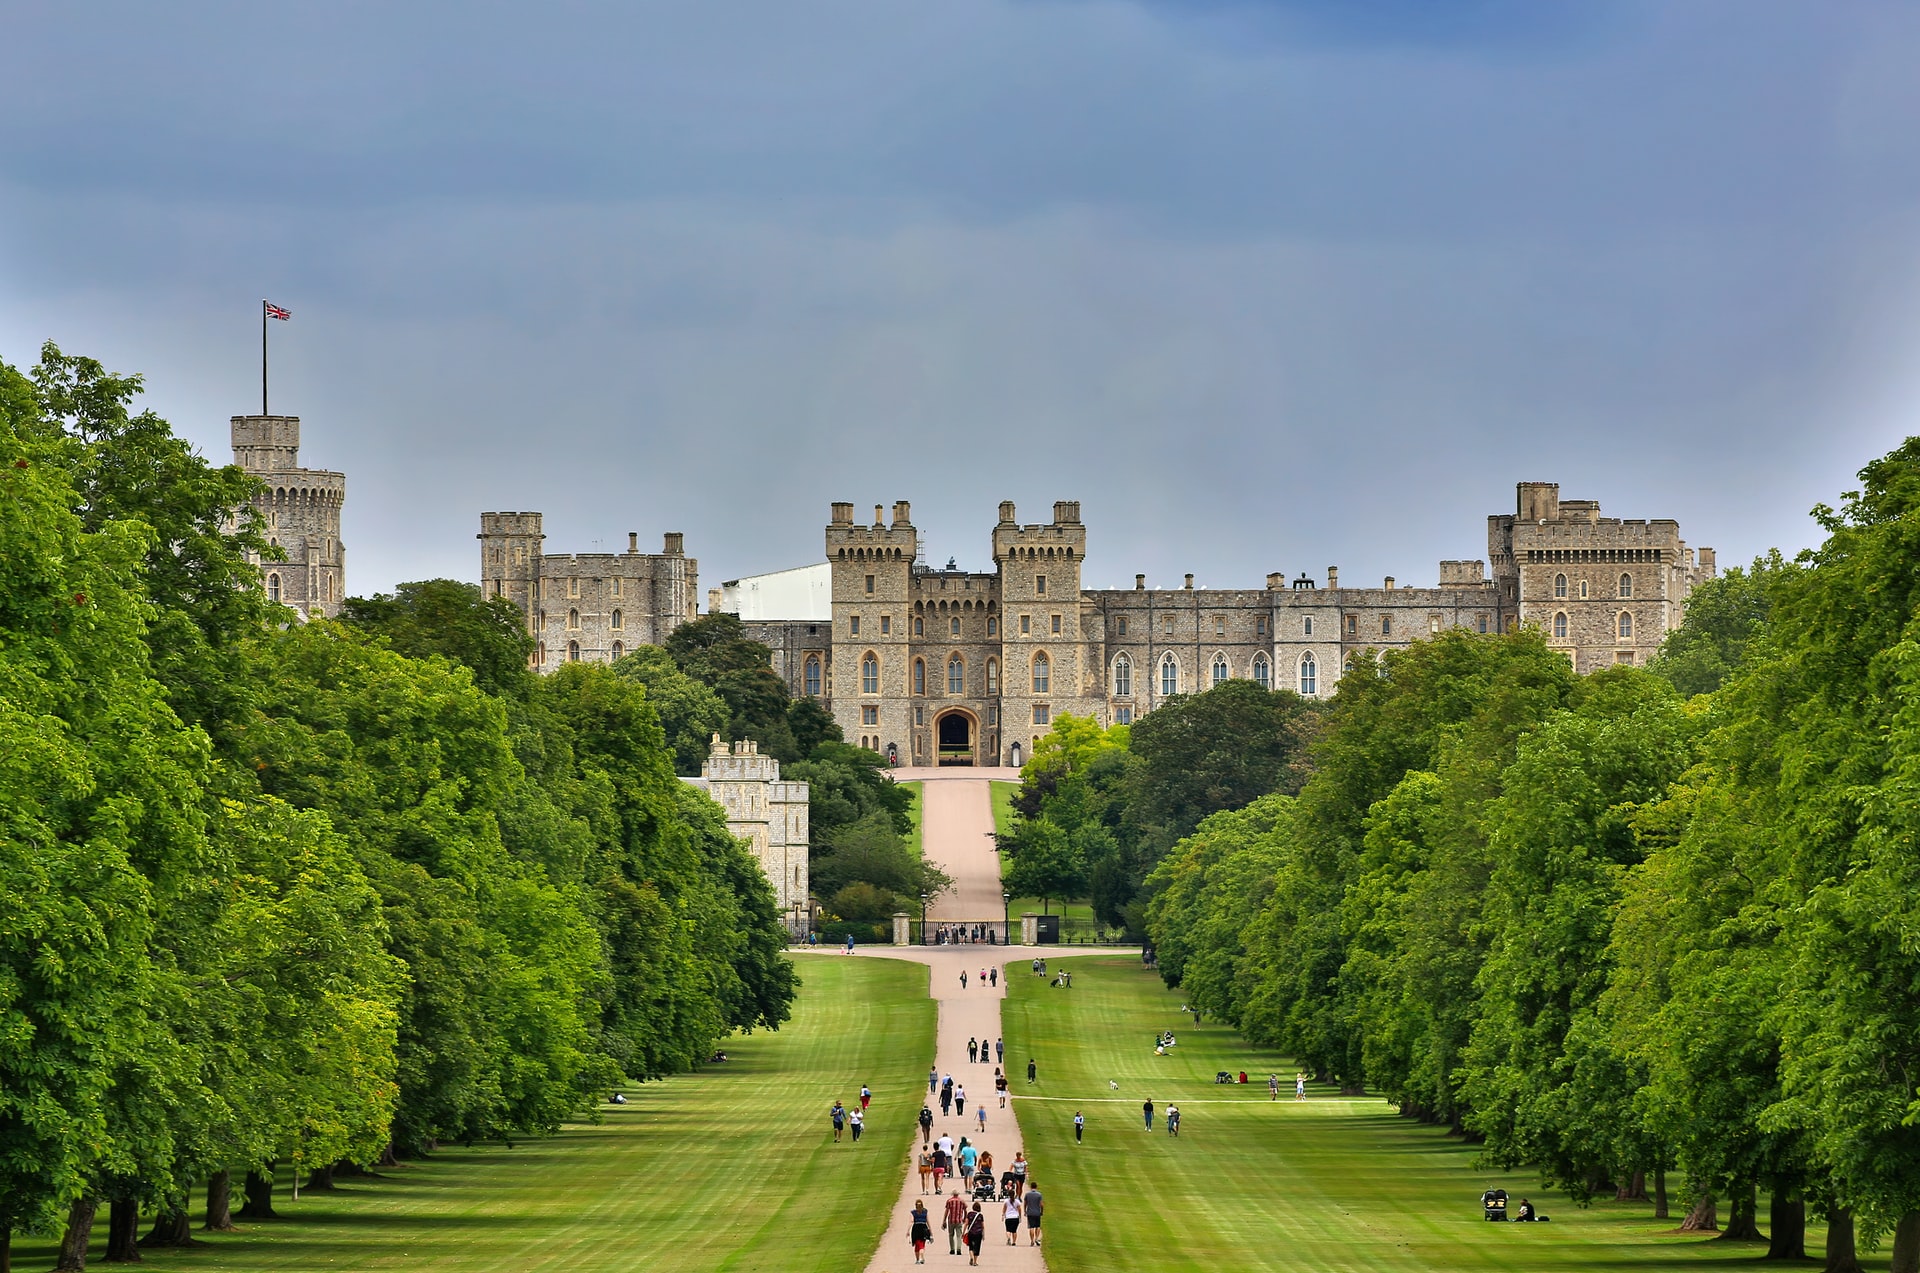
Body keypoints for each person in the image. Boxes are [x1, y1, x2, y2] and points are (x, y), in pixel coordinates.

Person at [944, 1191, 967, 1256]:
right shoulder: (962, 1201)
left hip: (951, 1220)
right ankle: (959, 1249)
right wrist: (965, 1218)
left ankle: (952, 1249)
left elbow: (946, 1211)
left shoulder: (949, 1201)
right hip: (959, 1220)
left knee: (951, 1235)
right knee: (959, 1235)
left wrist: (944, 1220)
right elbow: (965, 1210)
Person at [910, 1200, 932, 1264]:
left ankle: (917, 1259)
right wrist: (930, 1231)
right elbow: (928, 1221)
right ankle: (921, 1258)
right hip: (923, 1228)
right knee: (921, 1245)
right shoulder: (925, 1212)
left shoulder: (913, 1212)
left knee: (917, 1245)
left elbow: (911, 1221)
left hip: (916, 1229)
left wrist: (908, 1230)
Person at [1022, 1181, 1043, 1246]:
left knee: (1031, 1227)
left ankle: (1032, 1240)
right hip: (1037, 1212)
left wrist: (1025, 1211)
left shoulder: (1027, 1194)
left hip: (1030, 1212)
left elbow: (1025, 1203)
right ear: (1036, 1187)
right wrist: (1041, 1211)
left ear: (1031, 1187)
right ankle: (1036, 1238)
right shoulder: (1039, 1195)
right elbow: (1041, 1205)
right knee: (1038, 1226)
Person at [965, 1200, 986, 1265]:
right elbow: (983, 1226)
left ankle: (971, 1257)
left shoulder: (969, 1214)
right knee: (977, 1247)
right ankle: (975, 1261)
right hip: (978, 1233)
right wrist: (983, 1234)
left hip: (971, 1232)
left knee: (971, 1246)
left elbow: (966, 1223)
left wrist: (963, 1232)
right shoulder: (980, 1215)